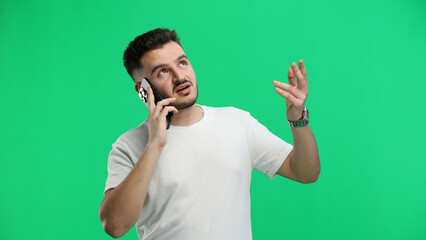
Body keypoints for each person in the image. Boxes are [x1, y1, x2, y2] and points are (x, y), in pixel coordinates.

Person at [98, 28, 320, 240]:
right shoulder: (129, 145)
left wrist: (297, 117)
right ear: (143, 90)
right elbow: (115, 226)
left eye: (182, 63)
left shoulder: (237, 123)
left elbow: (305, 172)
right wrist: (154, 144)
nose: (179, 76)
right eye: (163, 71)